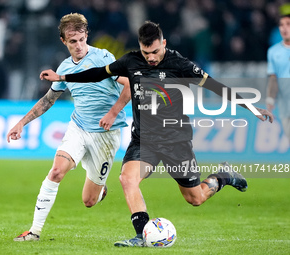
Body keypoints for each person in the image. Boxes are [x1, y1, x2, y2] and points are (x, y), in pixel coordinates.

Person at [40, 21, 273, 247]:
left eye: (154, 51)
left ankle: (224, 176)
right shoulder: (131, 60)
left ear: (164, 43)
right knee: (127, 179)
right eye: (145, 52)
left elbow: (215, 86)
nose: (150, 57)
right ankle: (142, 235)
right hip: (145, 140)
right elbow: (97, 73)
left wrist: (252, 108)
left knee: (195, 198)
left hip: (176, 141)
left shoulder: (180, 64)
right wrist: (61, 77)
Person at [7, 13, 130, 241]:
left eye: (82, 39)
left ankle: (99, 188)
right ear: (64, 41)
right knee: (55, 172)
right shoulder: (64, 68)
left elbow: (130, 84)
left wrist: (113, 113)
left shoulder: (103, 58)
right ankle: (34, 232)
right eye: (73, 41)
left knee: (89, 201)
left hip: (106, 135)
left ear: (86, 36)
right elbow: (48, 100)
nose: (79, 45)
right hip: (79, 128)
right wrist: (21, 123)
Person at [266, 13, 290, 141]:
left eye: (288, 24)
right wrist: (270, 98)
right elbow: (273, 77)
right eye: (281, 25)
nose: (284, 28)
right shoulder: (273, 52)